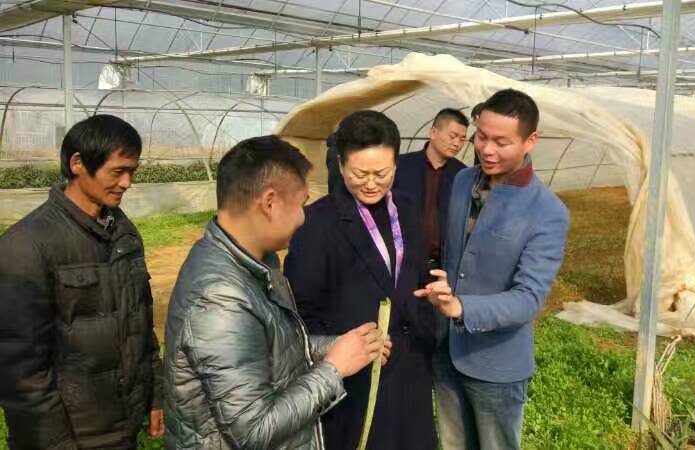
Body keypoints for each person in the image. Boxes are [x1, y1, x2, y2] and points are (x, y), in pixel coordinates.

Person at [163, 135, 391, 449]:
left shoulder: (255, 262)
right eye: (302, 204)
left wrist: (336, 346)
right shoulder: (220, 299)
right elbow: (253, 430)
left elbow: (273, 348)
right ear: (270, 203)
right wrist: (334, 369)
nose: (304, 217)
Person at [415, 89, 569, 450]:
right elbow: (456, 256)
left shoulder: (547, 211)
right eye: (481, 137)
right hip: (447, 349)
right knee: (453, 443)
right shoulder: (462, 182)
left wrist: (462, 307)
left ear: (530, 141)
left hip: (496, 364)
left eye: (501, 142)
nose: (487, 149)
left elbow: (528, 298)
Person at [0, 115, 164, 449]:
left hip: (122, 427)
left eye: (132, 171)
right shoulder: (26, 245)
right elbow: (20, 369)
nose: (127, 183)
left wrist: (155, 394)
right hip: (71, 435)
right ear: (77, 163)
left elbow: (141, 323)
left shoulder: (124, 234)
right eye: (117, 172)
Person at [285, 110, 438, 450]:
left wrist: (430, 304)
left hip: (411, 365)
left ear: (396, 165)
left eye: (382, 173)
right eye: (359, 173)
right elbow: (300, 311)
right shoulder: (316, 223)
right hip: (359, 377)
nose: (371, 183)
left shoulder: (406, 207)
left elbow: (412, 272)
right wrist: (339, 346)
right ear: (340, 165)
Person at [394, 108, 468, 276]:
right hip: (403, 260)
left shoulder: (462, 174)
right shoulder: (402, 166)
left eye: (462, 139)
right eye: (452, 136)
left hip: (442, 265)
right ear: (433, 132)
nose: (457, 143)